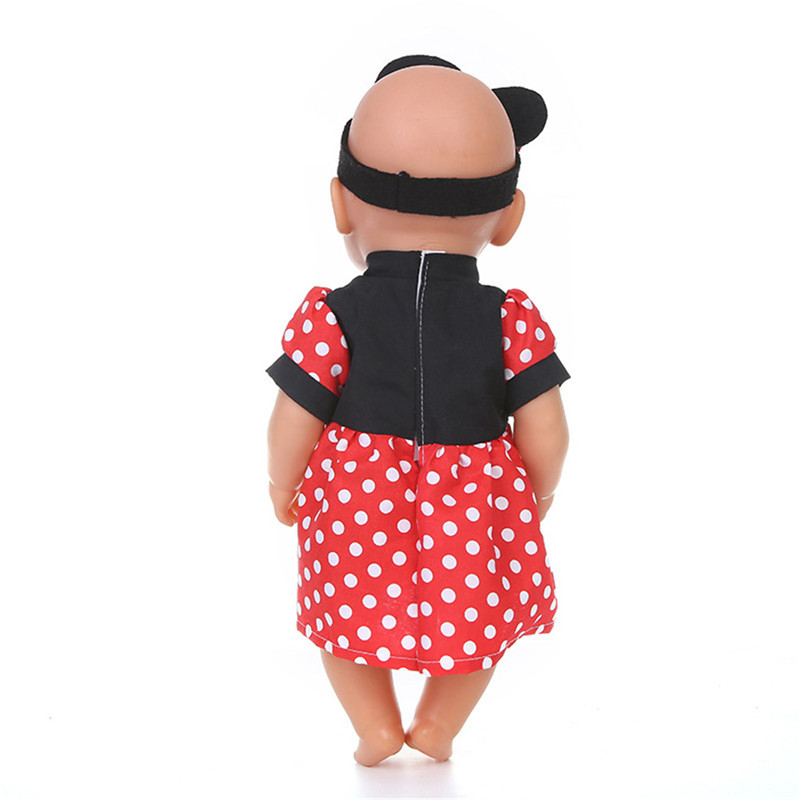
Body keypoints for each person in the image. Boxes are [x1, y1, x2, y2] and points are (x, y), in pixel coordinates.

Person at [266, 56, 570, 766]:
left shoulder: (332, 317)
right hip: (475, 502)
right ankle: (437, 723)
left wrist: (283, 482)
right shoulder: (510, 320)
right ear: (509, 218)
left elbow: (292, 416)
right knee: (481, 621)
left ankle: (375, 725)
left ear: (341, 205)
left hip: (356, 503)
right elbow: (547, 425)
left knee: (342, 621)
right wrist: (540, 486)